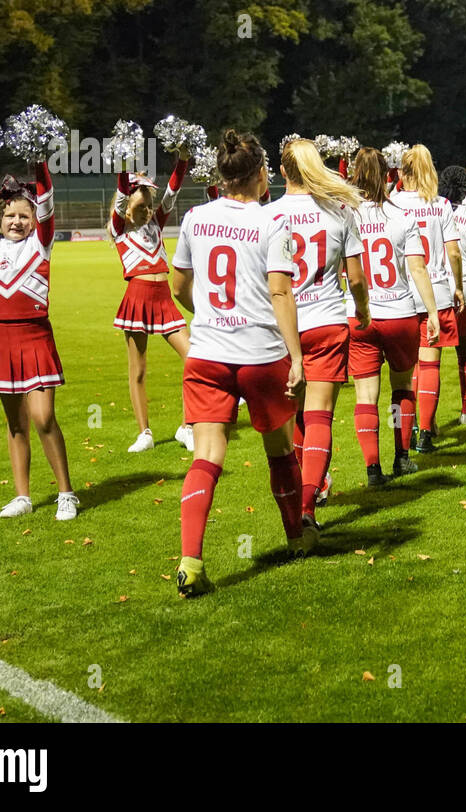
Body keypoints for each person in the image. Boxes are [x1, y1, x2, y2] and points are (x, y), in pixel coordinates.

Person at [168, 130, 310, 597]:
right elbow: (280, 292)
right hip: (259, 354)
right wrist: (295, 355)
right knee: (280, 450)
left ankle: (190, 561)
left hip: (207, 353)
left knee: (206, 456)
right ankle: (297, 536)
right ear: (260, 174)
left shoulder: (195, 217)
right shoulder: (272, 222)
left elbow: (178, 287)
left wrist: (207, 315)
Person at [0, 158, 79, 521]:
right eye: (10, 215)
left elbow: (47, 202)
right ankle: (23, 496)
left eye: (24, 216)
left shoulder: (41, 245)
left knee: (44, 418)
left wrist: (39, 161)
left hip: (34, 339)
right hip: (0, 342)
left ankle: (66, 494)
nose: (17, 222)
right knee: (16, 425)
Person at [266, 138, 369, 522]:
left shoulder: (270, 214)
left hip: (283, 328)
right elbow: (356, 278)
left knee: (295, 417)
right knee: (321, 414)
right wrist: (362, 310)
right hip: (326, 320)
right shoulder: (340, 210)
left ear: (281, 172)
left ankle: (300, 501)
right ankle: (308, 505)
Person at [348, 147, 440, 485]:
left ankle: (373, 469)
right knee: (401, 388)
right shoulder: (402, 216)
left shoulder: (348, 216)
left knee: (365, 395)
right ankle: (402, 458)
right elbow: (417, 267)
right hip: (399, 312)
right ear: (389, 175)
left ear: (355, 174)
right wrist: (431, 311)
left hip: (361, 315)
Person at [109, 153, 194, 454]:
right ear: (127, 208)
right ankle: (144, 432)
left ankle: (187, 427)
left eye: (148, 205)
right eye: (140, 206)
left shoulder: (156, 222)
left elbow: (171, 193)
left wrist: (182, 160)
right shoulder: (119, 229)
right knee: (139, 370)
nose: (146, 211)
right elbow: (120, 196)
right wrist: (122, 165)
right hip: (137, 298)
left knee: (194, 358)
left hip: (163, 300)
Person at [392, 145, 464, 452]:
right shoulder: (441, 204)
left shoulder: (391, 203)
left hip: (400, 294)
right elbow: (453, 251)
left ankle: (402, 439)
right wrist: (458, 285)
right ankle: (424, 433)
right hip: (435, 290)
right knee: (431, 365)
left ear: (402, 172)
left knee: (402, 377)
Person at [438, 165, 466, 424]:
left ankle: (426, 422)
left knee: (427, 356)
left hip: (436, 284)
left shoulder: (430, 210)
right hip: (465, 283)